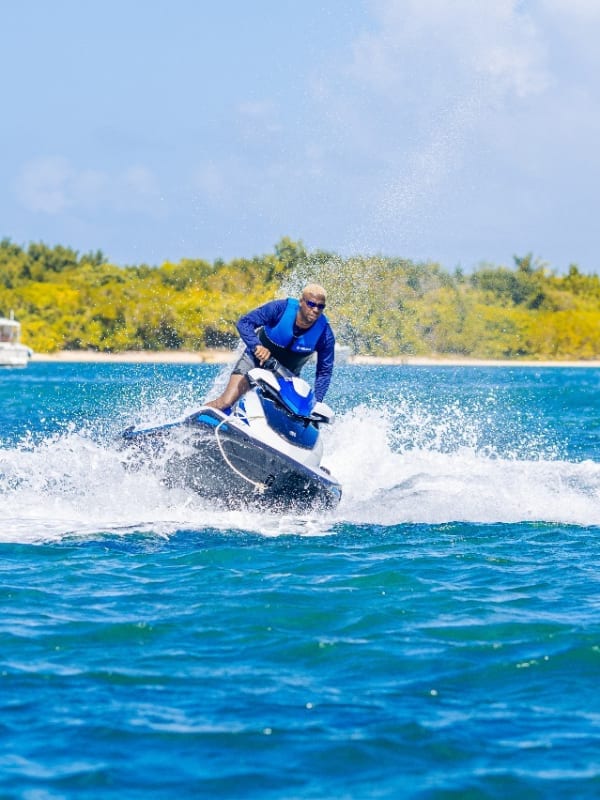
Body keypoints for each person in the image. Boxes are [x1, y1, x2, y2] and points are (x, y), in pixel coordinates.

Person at [206, 284, 335, 410]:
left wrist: (317, 403)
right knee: (226, 402)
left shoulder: (325, 334)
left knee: (293, 416)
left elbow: (324, 371)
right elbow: (244, 323)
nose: (316, 310)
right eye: (311, 304)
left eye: (321, 306)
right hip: (254, 361)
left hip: (286, 376)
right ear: (301, 301)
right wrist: (257, 346)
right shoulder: (279, 309)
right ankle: (196, 417)